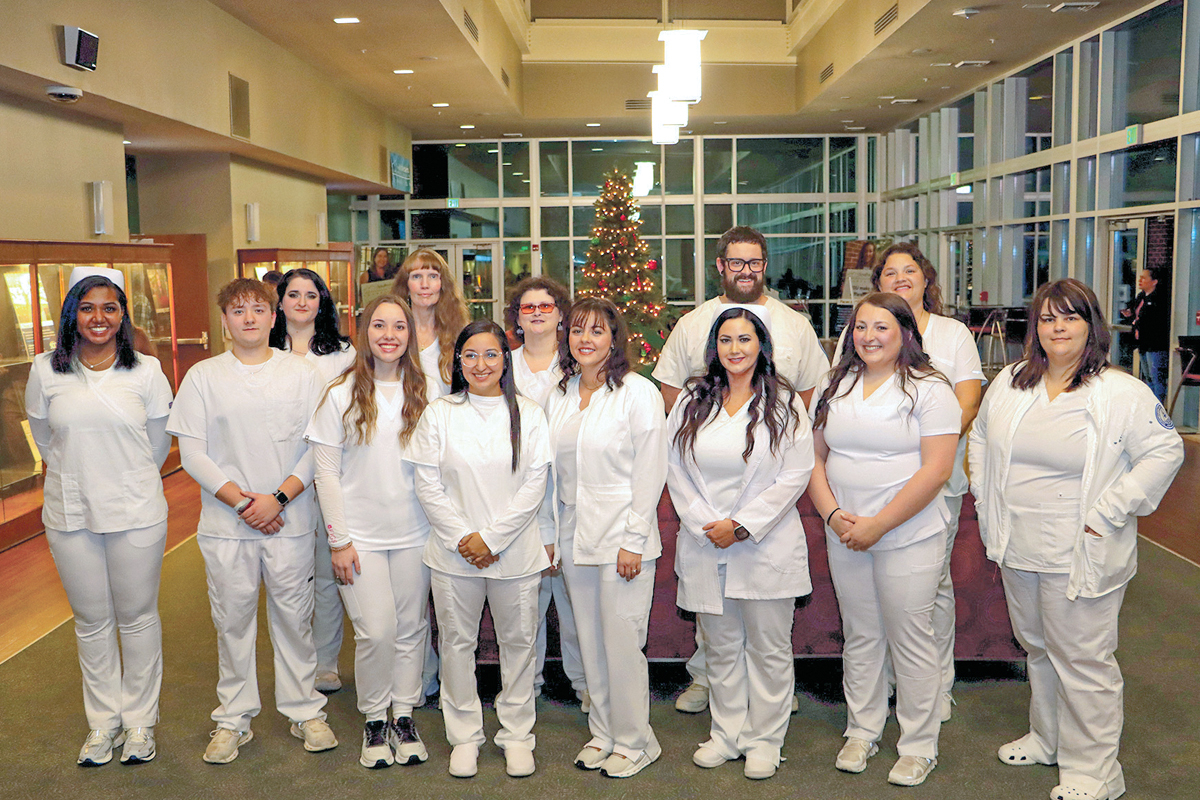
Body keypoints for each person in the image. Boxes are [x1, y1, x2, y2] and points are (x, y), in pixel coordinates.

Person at [968, 278, 1183, 800]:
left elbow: (1165, 451)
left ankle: (1095, 772)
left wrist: (1108, 510)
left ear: (1091, 326)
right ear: (1034, 327)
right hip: (1017, 542)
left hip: (1080, 547)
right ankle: (1049, 738)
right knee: (1038, 648)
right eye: (1046, 318)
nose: (1057, 327)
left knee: (1083, 660)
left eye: (1069, 317)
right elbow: (978, 437)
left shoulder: (1120, 391)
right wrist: (981, 493)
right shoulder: (1014, 379)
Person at [653, 225, 829, 714]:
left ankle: (770, 704)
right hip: (708, 479)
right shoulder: (694, 323)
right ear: (721, 266)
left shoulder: (793, 323)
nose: (746, 271)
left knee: (766, 630)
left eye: (754, 262)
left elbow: (810, 391)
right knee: (717, 624)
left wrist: (776, 420)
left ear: (765, 264)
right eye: (736, 262)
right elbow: (673, 396)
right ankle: (709, 685)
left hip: (768, 474)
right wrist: (705, 425)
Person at [167, 278, 338, 764]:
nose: (248, 318)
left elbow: (316, 447)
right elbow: (193, 452)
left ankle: (305, 709)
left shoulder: (301, 375)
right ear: (224, 320)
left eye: (258, 310)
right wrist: (243, 503)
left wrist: (278, 498)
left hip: (290, 518)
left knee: (293, 617)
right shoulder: (204, 376)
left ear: (272, 317)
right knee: (232, 620)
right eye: (237, 311)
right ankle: (233, 718)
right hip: (228, 523)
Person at [807, 292, 960, 787]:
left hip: (909, 533)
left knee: (910, 637)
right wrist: (832, 514)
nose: (868, 337)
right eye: (860, 327)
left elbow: (937, 470)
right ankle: (862, 729)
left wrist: (880, 523)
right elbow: (812, 457)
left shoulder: (929, 388)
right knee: (862, 633)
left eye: (882, 328)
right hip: (845, 531)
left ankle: (919, 744)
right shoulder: (836, 383)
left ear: (906, 334)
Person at [24, 268, 173, 766]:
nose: (99, 318)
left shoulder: (147, 371)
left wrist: (122, 480)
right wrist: (83, 477)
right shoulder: (47, 369)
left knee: (136, 618)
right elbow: (46, 440)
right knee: (91, 621)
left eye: (109, 308)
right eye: (87, 308)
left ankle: (138, 724)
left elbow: (156, 445)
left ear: (122, 315)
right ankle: (103, 724)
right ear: (71, 314)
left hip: (135, 513)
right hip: (70, 513)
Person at [831, 241, 984, 721]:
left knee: (928, 594)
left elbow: (969, 402)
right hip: (857, 508)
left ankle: (934, 690)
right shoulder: (855, 340)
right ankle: (883, 698)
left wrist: (926, 444)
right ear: (876, 284)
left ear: (926, 278)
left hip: (929, 487)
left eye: (909, 270)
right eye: (890, 271)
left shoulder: (951, 335)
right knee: (870, 619)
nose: (900, 278)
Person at [666, 308, 815, 780]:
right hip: (707, 540)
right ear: (715, 348)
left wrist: (744, 525)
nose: (735, 349)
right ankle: (726, 734)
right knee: (722, 646)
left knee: (769, 649)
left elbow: (796, 473)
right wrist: (705, 522)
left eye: (745, 339)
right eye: (726, 340)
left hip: (762, 544)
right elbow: (673, 467)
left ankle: (765, 740)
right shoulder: (692, 398)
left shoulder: (785, 402)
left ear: (761, 346)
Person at [404, 320, 552, 779]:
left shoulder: (529, 413)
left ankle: (516, 736)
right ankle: (464, 736)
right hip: (453, 554)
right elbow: (427, 484)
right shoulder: (440, 412)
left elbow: (534, 486)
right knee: (456, 646)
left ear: (505, 360)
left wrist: (491, 539)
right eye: (470, 355)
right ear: (458, 362)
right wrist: (464, 537)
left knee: (519, 646)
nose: (481, 364)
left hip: (516, 552)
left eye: (491, 354)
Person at [306, 295, 438, 769]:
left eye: (398, 326)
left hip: (416, 533)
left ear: (411, 334)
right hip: (358, 538)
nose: (389, 334)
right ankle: (374, 718)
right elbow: (326, 474)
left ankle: (403, 714)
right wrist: (339, 540)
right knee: (377, 631)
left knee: (411, 629)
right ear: (364, 333)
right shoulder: (340, 393)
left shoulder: (428, 391)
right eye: (379, 325)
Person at [541, 298, 668, 779]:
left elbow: (650, 472)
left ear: (614, 338)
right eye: (577, 330)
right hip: (574, 531)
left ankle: (637, 741)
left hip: (622, 534)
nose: (586, 339)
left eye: (597, 330)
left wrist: (634, 539)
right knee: (587, 639)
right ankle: (604, 732)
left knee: (621, 640)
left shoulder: (637, 393)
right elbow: (549, 474)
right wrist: (551, 535)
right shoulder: (562, 392)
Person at [270, 267, 356, 694]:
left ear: (322, 302)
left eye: (311, 295)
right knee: (286, 579)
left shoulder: (342, 353)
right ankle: (293, 661)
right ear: (280, 301)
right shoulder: (263, 350)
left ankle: (325, 661)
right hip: (274, 477)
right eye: (293, 294)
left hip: (324, 475)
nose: (302, 302)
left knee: (325, 576)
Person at [504, 276, 588, 710]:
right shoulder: (501, 364)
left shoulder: (577, 364)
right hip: (517, 499)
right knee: (525, 607)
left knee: (575, 604)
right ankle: (526, 688)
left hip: (570, 498)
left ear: (560, 314)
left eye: (546, 306)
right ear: (516, 318)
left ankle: (585, 684)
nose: (536, 313)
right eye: (527, 307)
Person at [391, 248, 469, 396]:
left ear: (443, 284)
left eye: (433, 276)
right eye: (416, 276)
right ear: (405, 285)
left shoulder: (459, 333)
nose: (424, 284)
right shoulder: (392, 333)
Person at [1120, 268, 1170, 402]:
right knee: (1148, 376)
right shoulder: (1141, 297)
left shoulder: (1159, 299)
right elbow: (1137, 316)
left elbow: (1153, 320)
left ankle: (1158, 407)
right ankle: (1150, 404)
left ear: (1154, 281)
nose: (1140, 280)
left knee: (1156, 377)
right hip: (1143, 343)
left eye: (1144, 278)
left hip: (1155, 343)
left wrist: (1138, 321)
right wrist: (1131, 316)